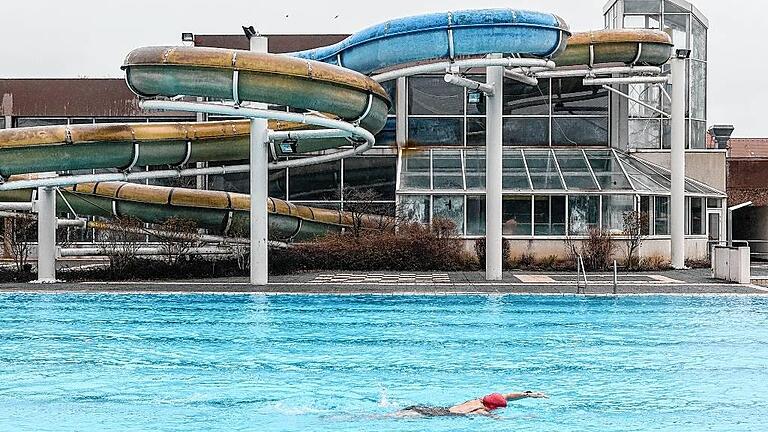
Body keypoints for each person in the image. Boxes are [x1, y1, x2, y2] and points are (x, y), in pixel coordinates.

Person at [395, 391, 548, 418]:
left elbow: (507, 396)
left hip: (434, 408)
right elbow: (500, 420)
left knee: (394, 414)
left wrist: (528, 395)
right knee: (384, 417)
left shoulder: (478, 400)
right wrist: (527, 417)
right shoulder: (481, 410)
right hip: (439, 415)